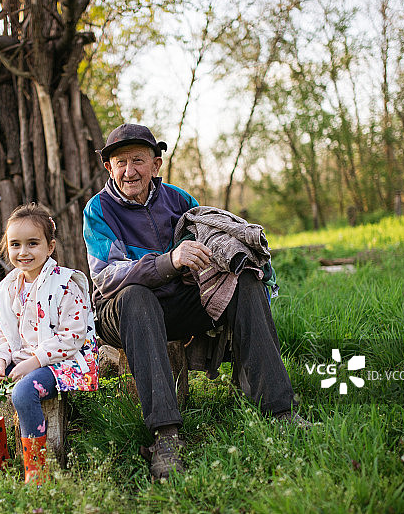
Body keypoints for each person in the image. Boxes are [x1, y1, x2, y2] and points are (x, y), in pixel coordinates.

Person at [82, 123, 307, 480]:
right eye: (120, 162)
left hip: (181, 304)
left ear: (156, 164)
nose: (129, 171)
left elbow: (208, 240)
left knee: (245, 280)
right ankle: (165, 435)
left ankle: (280, 411)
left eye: (138, 160)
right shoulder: (99, 210)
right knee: (136, 295)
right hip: (123, 311)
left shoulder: (180, 200)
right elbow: (107, 277)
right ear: (108, 167)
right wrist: (169, 261)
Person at [0, 203, 99, 486]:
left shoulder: (65, 284)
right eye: (15, 244)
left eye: (33, 243)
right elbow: (8, 335)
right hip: (23, 360)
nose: (23, 252)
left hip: (65, 363)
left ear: (50, 246)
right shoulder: (8, 288)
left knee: (22, 392)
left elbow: (73, 337)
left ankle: (37, 468)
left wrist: (33, 362)